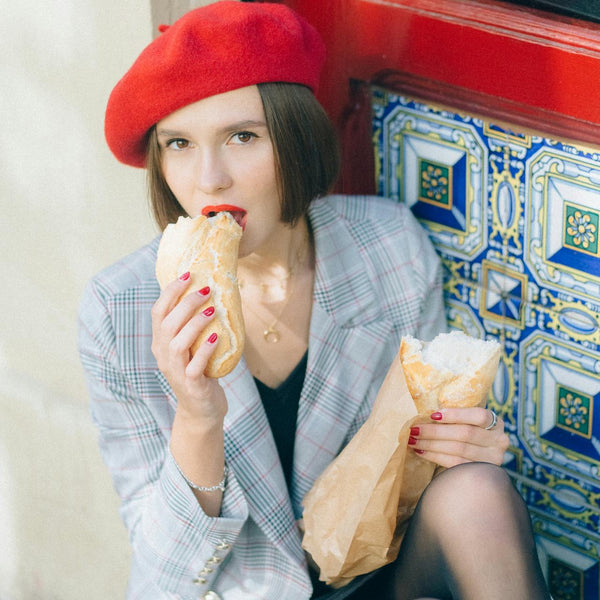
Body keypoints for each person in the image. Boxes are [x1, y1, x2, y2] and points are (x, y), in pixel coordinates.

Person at [78, 3, 551, 599]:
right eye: (178, 143)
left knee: (478, 491)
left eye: (242, 136)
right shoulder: (118, 312)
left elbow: (413, 462)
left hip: (377, 576)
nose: (209, 179)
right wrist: (198, 417)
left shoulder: (388, 246)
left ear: (298, 138)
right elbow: (159, 582)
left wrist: (454, 450)